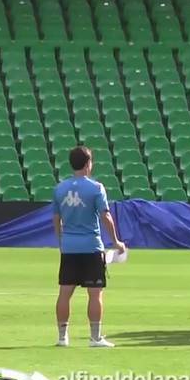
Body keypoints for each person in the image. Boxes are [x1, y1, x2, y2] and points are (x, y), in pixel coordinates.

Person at [52, 146, 126, 348]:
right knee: (95, 293)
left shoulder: (59, 189)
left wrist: (61, 242)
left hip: (69, 247)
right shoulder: (96, 188)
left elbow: (56, 219)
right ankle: (95, 337)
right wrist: (116, 241)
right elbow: (106, 216)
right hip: (91, 246)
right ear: (88, 164)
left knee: (64, 292)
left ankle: (62, 337)